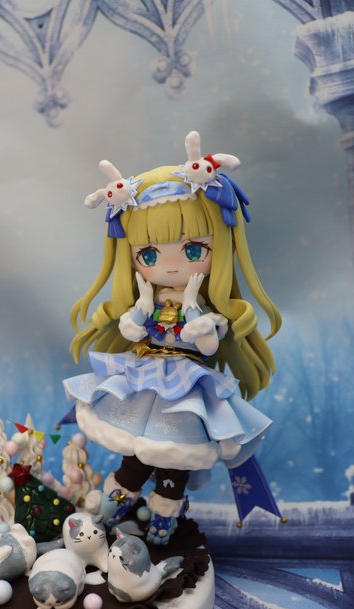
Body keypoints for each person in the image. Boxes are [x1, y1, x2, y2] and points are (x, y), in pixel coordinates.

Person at [64, 131, 282, 544]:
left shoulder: (205, 307)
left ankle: (161, 531)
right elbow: (131, 329)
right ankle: (107, 518)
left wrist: (200, 324)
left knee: (173, 467)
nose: (168, 266)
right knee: (133, 461)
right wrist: (137, 315)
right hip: (145, 380)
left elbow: (209, 346)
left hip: (185, 392)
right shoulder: (148, 299)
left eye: (193, 249)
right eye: (148, 254)